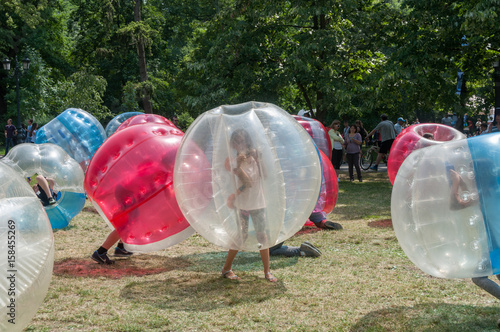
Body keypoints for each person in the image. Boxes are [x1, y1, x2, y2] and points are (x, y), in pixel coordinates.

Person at [222, 129, 277, 282]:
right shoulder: (232, 161)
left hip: (258, 202)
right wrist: (239, 166)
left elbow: (265, 175)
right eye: (237, 141)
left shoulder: (254, 158)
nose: (241, 144)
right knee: (242, 235)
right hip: (243, 204)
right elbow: (248, 183)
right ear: (233, 144)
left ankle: (267, 271)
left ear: (248, 142)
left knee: (262, 235)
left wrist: (260, 160)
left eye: (244, 140)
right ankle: (226, 268)